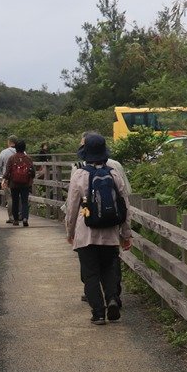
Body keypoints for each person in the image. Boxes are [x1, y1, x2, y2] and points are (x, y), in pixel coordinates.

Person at [65, 132, 132, 325]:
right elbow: (125, 206)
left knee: (91, 274)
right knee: (109, 269)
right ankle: (112, 299)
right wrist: (126, 233)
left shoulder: (79, 175)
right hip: (110, 233)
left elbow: (72, 207)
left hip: (86, 233)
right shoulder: (114, 174)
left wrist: (70, 232)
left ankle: (99, 313)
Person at [4, 140, 34, 226]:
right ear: (24, 148)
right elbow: (33, 172)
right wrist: (30, 180)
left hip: (14, 183)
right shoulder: (28, 159)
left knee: (15, 201)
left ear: (16, 148)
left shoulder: (12, 158)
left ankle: (16, 220)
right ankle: (25, 218)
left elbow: (8, 171)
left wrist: (4, 179)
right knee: (24, 201)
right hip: (25, 183)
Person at [0, 136, 17, 221]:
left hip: (8, 178)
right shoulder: (22, 152)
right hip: (20, 179)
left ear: (9, 142)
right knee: (18, 197)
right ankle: (19, 215)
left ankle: (11, 217)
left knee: (9, 198)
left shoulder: (4, 152)